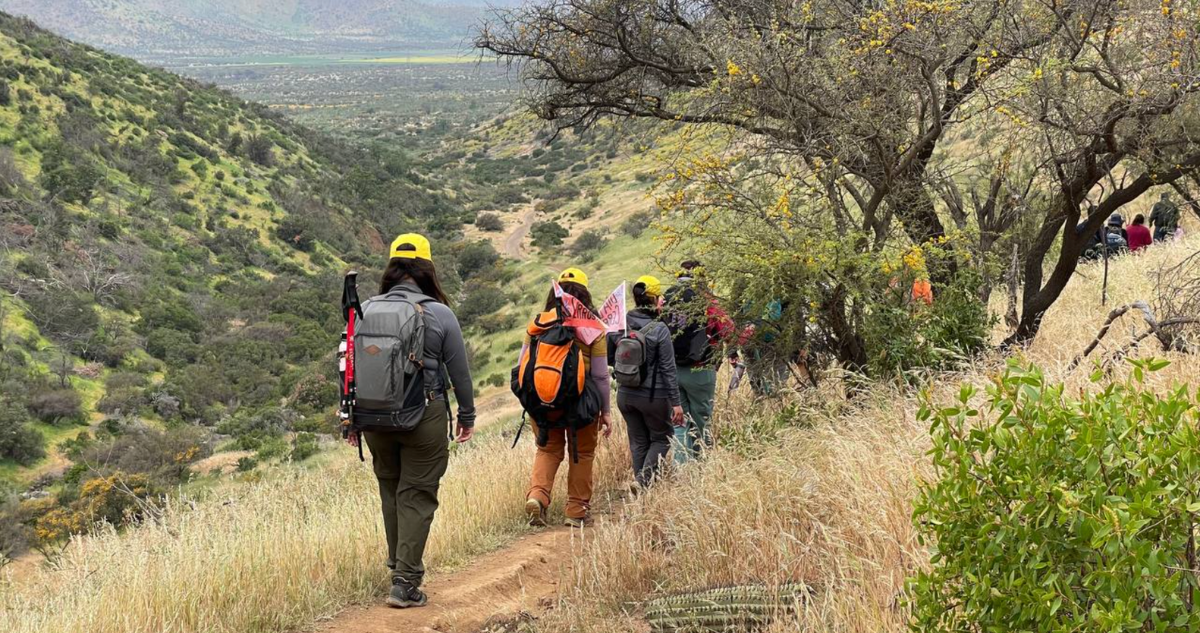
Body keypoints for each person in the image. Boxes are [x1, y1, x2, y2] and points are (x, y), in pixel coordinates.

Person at [357, 234, 476, 609]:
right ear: (427, 269)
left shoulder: (366, 308)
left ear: (391, 267)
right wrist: (467, 416)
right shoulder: (440, 313)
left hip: (374, 417)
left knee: (391, 489)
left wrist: (351, 421)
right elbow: (460, 374)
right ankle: (405, 582)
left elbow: (350, 368)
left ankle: (398, 565)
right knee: (418, 493)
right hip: (424, 414)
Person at [524, 268, 612, 528]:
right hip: (582, 403)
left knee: (548, 449)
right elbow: (600, 376)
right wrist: (605, 411)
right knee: (582, 453)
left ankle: (537, 497)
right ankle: (575, 511)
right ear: (584, 295)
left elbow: (523, 365)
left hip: (542, 399)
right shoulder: (593, 327)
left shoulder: (538, 323)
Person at [611, 276, 684, 489]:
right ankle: (642, 482)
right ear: (653, 298)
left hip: (625, 394)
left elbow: (610, 357)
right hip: (653, 395)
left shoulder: (621, 325)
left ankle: (641, 490)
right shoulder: (660, 329)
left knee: (639, 442)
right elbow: (668, 369)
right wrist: (676, 402)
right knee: (662, 438)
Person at [663, 261, 730, 463]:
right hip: (701, 369)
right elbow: (728, 330)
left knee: (679, 422)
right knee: (702, 421)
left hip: (673, 369)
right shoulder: (707, 301)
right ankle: (702, 466)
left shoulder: (668, 299)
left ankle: (682, 468)